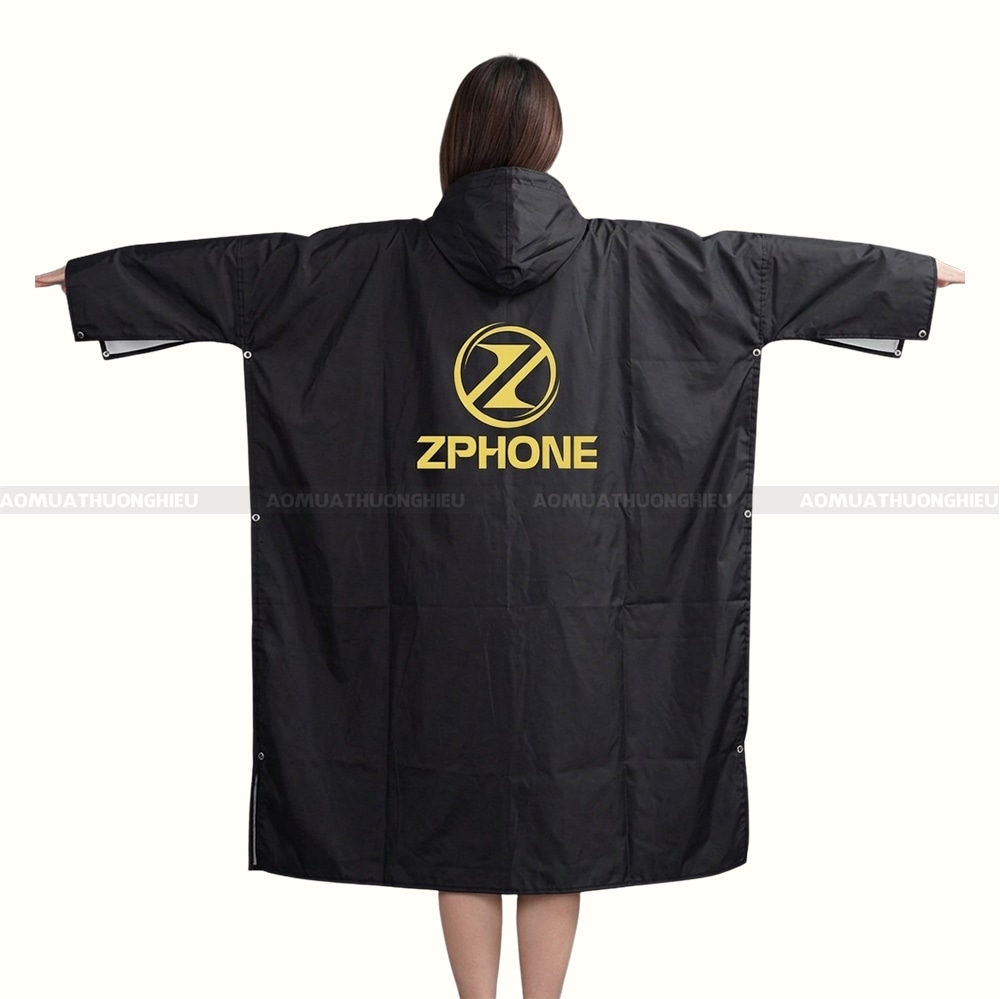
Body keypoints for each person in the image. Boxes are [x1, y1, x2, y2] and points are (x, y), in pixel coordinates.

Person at [36, 54, 964, 999]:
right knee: (564, 817)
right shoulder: (645, 265)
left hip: (433, 612)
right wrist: (908, 280)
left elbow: (246, 278)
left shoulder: (362, 266)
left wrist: (95, 283)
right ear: (550, 140)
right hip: (584, 614)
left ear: (457, 142)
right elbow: (760, 274)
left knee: (458, 816)